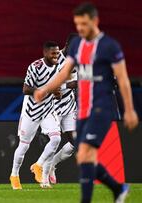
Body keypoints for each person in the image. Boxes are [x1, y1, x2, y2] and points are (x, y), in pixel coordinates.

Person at [34, 3, 138, 203]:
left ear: (95, 21)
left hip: (102, 107)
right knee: (83, 157)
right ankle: (118, 189)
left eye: (84, 23)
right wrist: (45, 89)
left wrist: (130, 110)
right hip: (82, 109)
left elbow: (123, 79)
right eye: (77, 24)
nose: (80, 28)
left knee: (85, 152)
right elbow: (65, 73)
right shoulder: (77, 45)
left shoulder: (110, 46)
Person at [10, 41, 62, 189]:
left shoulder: (59, 67)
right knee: (24, 146)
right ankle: (14, 175)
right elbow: (26, 89)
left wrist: (57, 93)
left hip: (48, 110)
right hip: (31, 111)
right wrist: (46, 90)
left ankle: (38, 165)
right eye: (53, 53)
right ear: (45, 53)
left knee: (56, 138)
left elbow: (57, 88)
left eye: (57, 53)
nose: (56, 56)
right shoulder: (35, 67)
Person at [31, 33, 79, 185]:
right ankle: (43, 176)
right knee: (55, 140)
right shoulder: (55, 60)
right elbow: (49, 86)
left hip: (69, 106)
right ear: (67, 44)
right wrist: (70, 85)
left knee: (75, 142)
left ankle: (51, 165)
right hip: (53, 106)